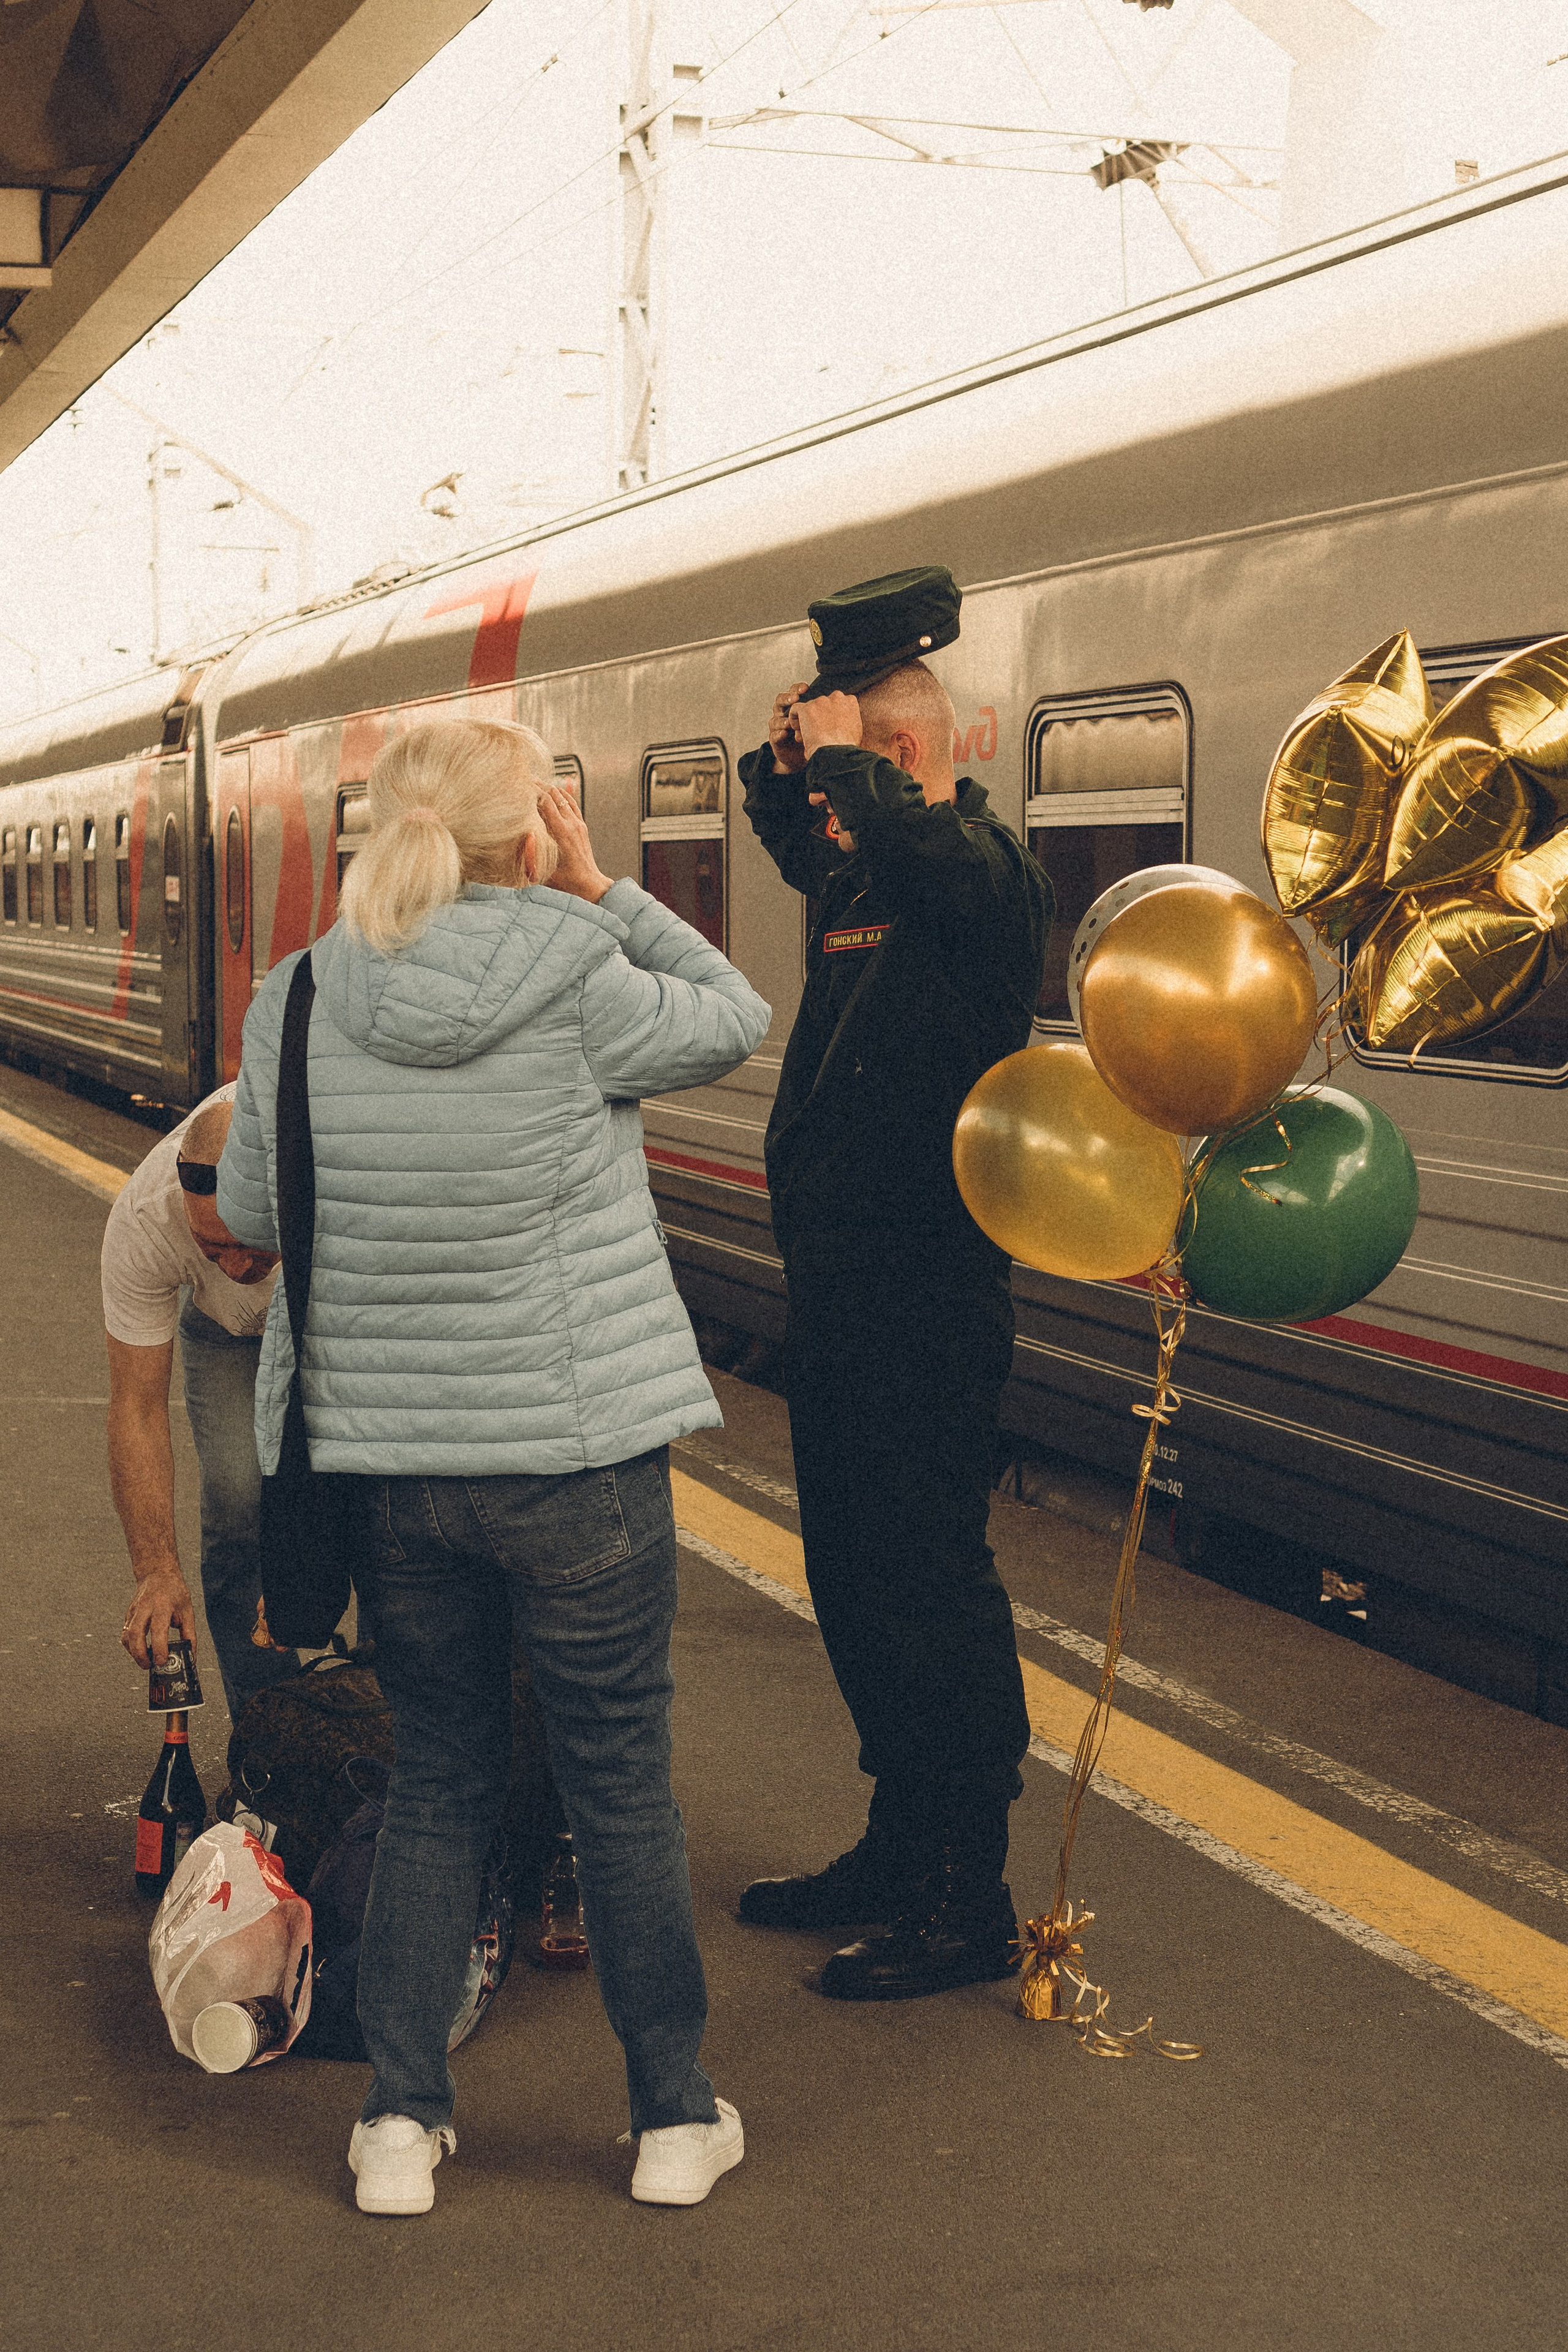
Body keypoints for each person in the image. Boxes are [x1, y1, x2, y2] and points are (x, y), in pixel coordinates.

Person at [216, 717, 770, 2216]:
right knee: (619, 1789)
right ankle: (668, 2119)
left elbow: (255, 1203)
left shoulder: (303, 992)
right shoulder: (578, 970)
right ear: (530, 830)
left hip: (393, 1465)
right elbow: (734, 1013)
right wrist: (598, 889)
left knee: (444, 1773)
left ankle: (398, 2123)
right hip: (575, 1456)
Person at [737, 565, 1053, 2002]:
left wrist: (859, 765)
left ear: (908, 755)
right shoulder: (866, 874)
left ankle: (959, 1891)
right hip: (844, 1297)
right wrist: (781, 760)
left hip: (926, 1297)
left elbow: (939, 863)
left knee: (925, 1585)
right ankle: (892, 1836)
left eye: (851, 767)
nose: (826, 807)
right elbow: (804, 849)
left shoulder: (978, 876)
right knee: (853, 1581)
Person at [108, 1085, 300, 1712]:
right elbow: (136, 1406)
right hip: (228, 1335)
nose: (239, 1266)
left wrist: (312, 1550)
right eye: (212, 1248)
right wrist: (155, 1570)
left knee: (389, 1516)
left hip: (344, 1326)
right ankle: (273, 1740)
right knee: (238, 1502)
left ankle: (395, 1727)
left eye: (253, 1243)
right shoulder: (145, 1220)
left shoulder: (339, 1168)